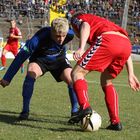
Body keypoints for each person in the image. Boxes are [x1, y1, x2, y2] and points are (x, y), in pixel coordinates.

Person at [68, 11, 140, 131]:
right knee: (106, 80)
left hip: (108, 40)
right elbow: (122, 42)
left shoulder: (77, 18)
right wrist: (131, 74)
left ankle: (84, 107)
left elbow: (85, 25)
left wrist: (81, 48)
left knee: (76, 73)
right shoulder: (104, 22)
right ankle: (115, 122)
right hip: (125, 44)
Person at [0, 17, 78, 120]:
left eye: (63, 36)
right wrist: (7, 78)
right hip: (40, 59)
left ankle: (75, 113)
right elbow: (20, 57)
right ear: (51, 31)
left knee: (72, 79)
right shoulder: (37, 39)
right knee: (30, 74)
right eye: (58, 36)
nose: (61, 39)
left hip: (59, 59)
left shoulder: (70, 34)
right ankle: (25, 111)